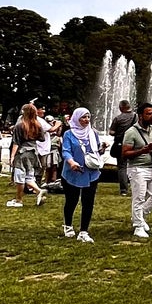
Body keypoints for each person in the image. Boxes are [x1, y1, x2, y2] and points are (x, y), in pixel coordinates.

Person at [120, 102, 152, 240]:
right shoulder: (131, 132)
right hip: (137, 168)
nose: (151, 116)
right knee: (138, 197)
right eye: (148, 113)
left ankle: (139, 215)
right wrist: (142, 151)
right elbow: (125, 153)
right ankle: (138, 226)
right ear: (140, 116)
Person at [60, 107, 103, 242]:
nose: (86, 120)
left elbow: (96, 150)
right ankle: (68, 225)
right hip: (73, 172)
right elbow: (66, 151)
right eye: (83, 117)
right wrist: (71, 162)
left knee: (88, 202)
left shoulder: (93, 133)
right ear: (76, 118)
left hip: (91, 172)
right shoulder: (68, 134)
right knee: (72, 201)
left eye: (88, 117)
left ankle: (84, 231)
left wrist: (102, 149)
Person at [7, 104, 45, 208]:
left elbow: (16, 142)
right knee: (29, 175)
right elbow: (42, 138)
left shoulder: (20, 125)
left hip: (22, 152)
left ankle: (19, 200)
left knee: (19, 176)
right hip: (33, 152)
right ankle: (39, 191)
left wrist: (12, 156)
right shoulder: (38, 125)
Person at [109, 101, 134, 196]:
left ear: (121, 108)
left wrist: (119, 133)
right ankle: (137, 187)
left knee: (122, 167)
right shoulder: (136, 117)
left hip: (121, 144)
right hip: (134, 145)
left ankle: (124, 189)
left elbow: (111, 132)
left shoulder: (118, 118)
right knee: (135, 166)